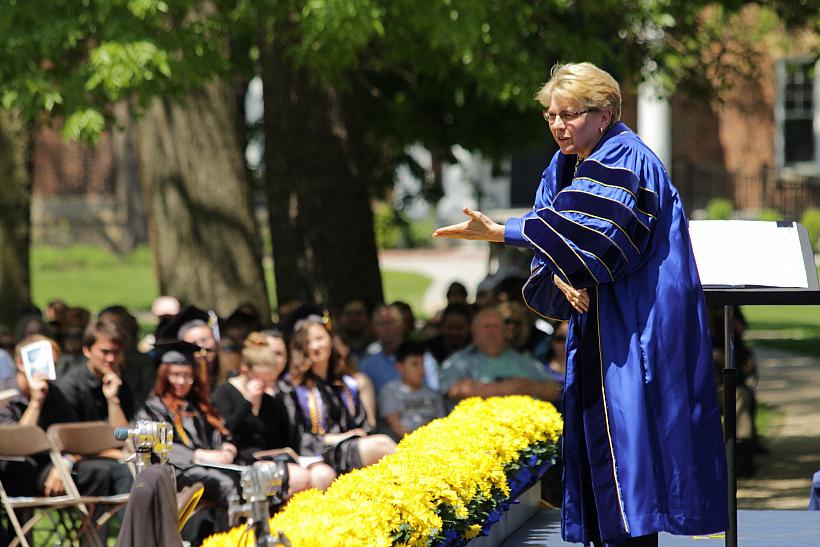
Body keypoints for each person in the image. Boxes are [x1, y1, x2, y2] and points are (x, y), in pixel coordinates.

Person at [433, 62, 727, 546]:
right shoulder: (564, 162)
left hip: (639, 324)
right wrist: (558, 271)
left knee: (633, 450)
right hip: (599, 325)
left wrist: (503, 231)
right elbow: (562, 236)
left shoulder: (626, 158)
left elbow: (592, 233)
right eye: (550, 115)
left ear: (605, 113)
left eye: (569, 114)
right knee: (601, 444)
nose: (557, 125)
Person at [136, 341, 238, 540]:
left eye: (187, 376)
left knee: (250, 479)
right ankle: (226, 540)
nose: (181, 381)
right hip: (177, 472)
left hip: (211, 467)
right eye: (175, 375)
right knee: (225, 484)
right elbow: (156, 445)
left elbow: (225, 435)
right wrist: (198, 455)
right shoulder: (153, 408)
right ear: (164, 375)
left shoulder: (200, 405)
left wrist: (228, 451)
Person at [212, 332, 335, 491]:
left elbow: (281, 441)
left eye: (269, 380)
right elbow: (227, 432)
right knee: (299, 477)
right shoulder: (224, 393)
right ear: (245, 369)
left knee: (324, 474)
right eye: (261, 379)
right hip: (242, 464)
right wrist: (247, 402)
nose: (266, 385)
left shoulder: (269, 400)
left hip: (273, 459)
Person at [283, 316, 396, 475]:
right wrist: (335, 438)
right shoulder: (293, 388)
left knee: (382, 444)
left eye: (319, 338)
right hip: (318, 452)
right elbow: (299, 437)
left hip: (350, 446)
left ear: (331, 340)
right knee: (382, 445)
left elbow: (362, 425)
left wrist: (354, 435)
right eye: (308, 342)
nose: (315, 346)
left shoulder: (345, 384)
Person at [438, 307, 560, 405]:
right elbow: (452, 390)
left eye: (496, 326)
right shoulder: (459, 360)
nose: (491, 331)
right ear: (473, 332)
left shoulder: (522, 360)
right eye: (486, 326)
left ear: (504, 332)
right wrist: (502, 389)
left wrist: (533, 387)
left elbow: (554, 390)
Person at [378, 341, 446, 442]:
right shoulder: (390, 391)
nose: (421, 370)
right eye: (414, 364)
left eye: (422, 364)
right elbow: (395, 425)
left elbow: (443, 424)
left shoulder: (433, 394)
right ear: (400, 367)